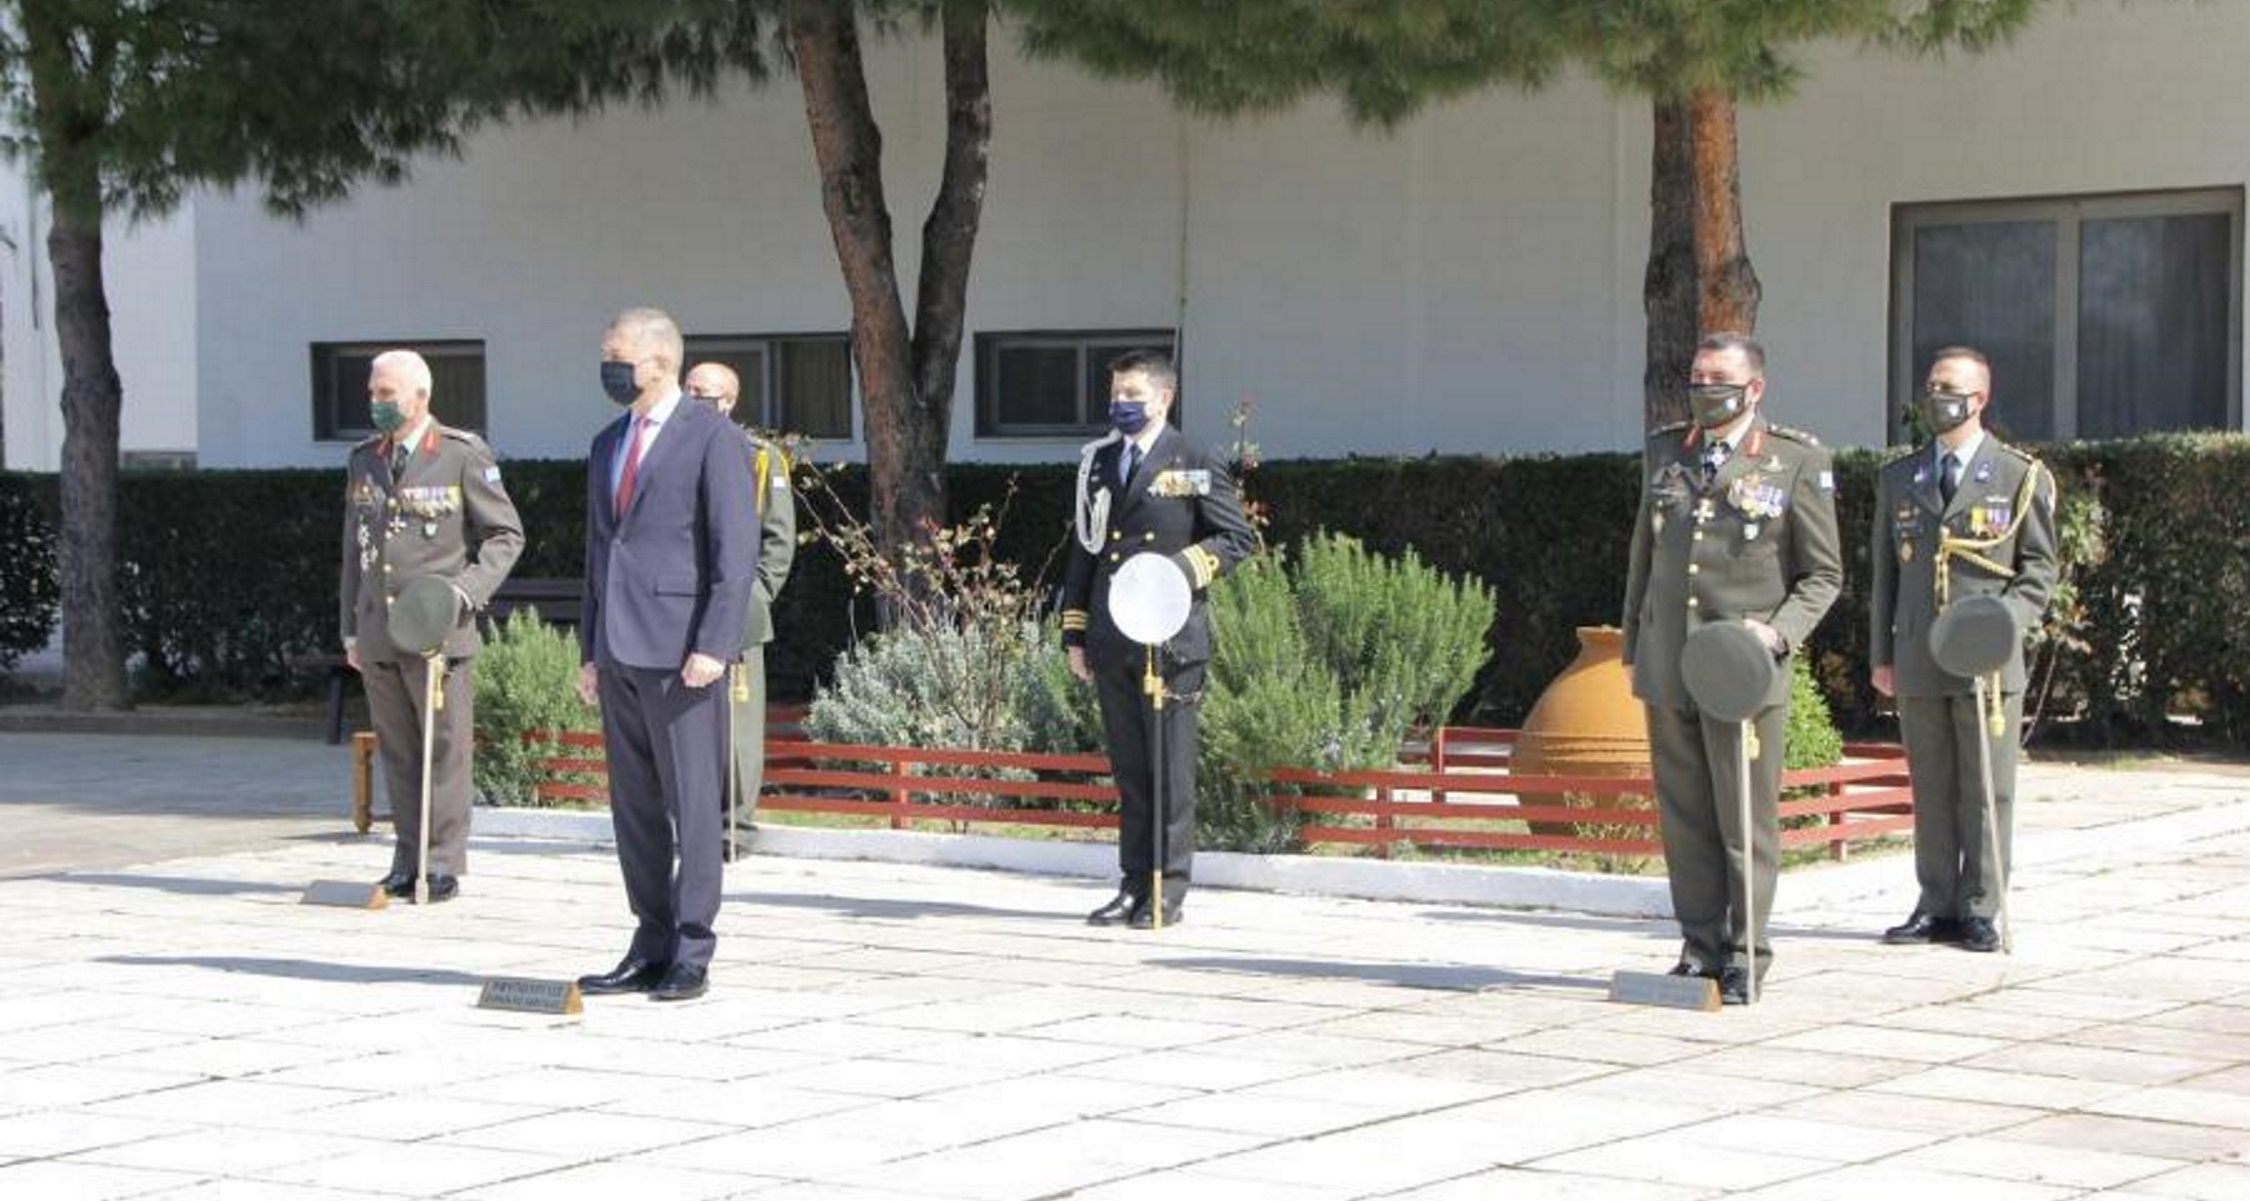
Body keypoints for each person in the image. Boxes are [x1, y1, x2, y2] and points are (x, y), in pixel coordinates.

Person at [1621, 332, 1842, 1003]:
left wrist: (1776, 634)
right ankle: (1699, 944)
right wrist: (1635, 641)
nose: (1702, 387)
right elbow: (1646, 556)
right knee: (1684, 814)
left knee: (1744, 818)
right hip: (1670, 663)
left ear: (1754, 389)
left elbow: (1823, 575)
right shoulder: (1666, 451)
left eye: (1718, 377)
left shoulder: (1794, 460)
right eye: (1696, 375)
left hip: (1741, 670)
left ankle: (1747, 949)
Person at [574, 309, 758, 1002]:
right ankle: (648, 939)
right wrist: (591, 649)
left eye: (615, 353)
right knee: (636, 807)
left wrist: (715, 642)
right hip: (620, 649)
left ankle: (691, 946)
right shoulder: (607, 441)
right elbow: (601, 553)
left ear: (657, 360)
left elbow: (734, 553)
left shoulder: (714, 437)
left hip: (683, 651)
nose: (607, 365)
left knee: (692, 804)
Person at [1871, 346, 2058, 953]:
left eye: (1947, 387)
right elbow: (1884, 578)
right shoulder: (1899, 476)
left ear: (1979, 398)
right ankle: (1935, 902)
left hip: (1986, 660)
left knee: (1985, 786)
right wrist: (1882, 655)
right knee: (1930, 784)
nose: (1935, 397)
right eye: (1929, 386)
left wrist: (2000, 626)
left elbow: (2038, 571)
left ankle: (1980, 904)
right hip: (1920, 653)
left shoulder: (2018, 475)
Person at [1061, 350, 1255, 929]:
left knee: (1169, 772)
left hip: (1169, 640)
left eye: (1134, 397)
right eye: (1116, 395)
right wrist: (1074, 632)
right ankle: (1130, 884)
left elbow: (1235, 538)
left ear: (1164, 399)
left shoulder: (1194, 460)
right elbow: (1087, 550)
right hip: (1113, 637)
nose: (1121, 406)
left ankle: (1165, 891)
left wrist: (1180, 572)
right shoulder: (1098, 462)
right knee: (1131, 772)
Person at [338, 349, 524, 903]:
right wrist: (351, 626)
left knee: (443, 749)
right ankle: (406, 858)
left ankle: (441, 863)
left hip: (437, 630)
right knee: (397, 749)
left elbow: (505, 536)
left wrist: (463, 594)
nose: (376, 403)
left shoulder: (462, 454)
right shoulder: (365, 458)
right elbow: (356, 548)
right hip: (378, 631)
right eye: (372, 393)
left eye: (386, 395)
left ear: (421, 396)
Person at [683, 361, 797, 849]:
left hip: (735, 612)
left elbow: (778, 540)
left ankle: (735, 828)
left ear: (728, 402)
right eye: (686, 390)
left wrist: (751, 600)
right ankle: (689, 826)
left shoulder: (759, 458)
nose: (692, 399)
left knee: (736, 729)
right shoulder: (669, 451)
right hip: (680, 606)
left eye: (702, 393)